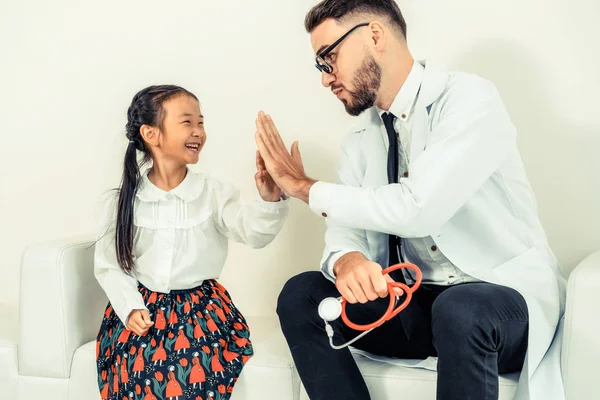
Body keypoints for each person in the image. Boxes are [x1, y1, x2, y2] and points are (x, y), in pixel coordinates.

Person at [253, 1, 566, 399]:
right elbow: (345, 230)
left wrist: (303, 187)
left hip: (497, 304)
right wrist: (347, 260)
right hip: (414, 308)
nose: (325, 79)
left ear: (375, 35)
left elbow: (419, 208)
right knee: (301, 294)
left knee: (459, 309)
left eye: (329, 58)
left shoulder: (469, 100)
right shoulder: (360, 140)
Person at [95, 85, 289, 399]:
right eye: (187, 122)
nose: (199, 131)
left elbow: (252, 232)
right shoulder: (123, 201)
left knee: (190, 374)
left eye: (201, 122)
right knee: (137, 371)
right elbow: (109, 266)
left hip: (201, 310)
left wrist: (270, 201)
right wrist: (129, 309)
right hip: (142, 309)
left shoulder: (213, 193)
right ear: (151, 134)